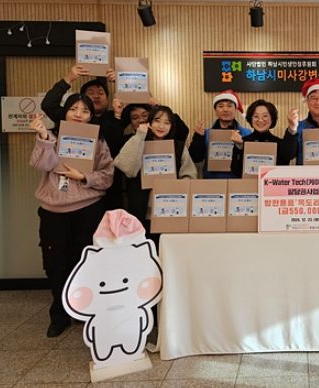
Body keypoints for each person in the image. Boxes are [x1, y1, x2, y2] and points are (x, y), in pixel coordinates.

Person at [29, 94, 114, 338]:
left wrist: (84, 177)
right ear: (65, 112)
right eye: (73, 109)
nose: (78, 114)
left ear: (91, 116)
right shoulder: (51, 138)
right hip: (53, 212)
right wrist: (44, 137)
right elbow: (40, 164)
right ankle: (59, 315)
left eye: (85, 111)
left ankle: (84, 311)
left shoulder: (99, 142)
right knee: (55, 264)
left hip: (88, 209)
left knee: (85, 262)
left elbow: (107, 176)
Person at [41, 64, 124, 209]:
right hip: (68, 186)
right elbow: (48, 104)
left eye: (101, 93)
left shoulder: (116, 114)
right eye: (90, 93)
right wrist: (69, 78)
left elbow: (144, 110)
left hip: (107, 183)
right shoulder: (71, 119)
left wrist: (120, 82)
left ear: (107, 98)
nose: (96, 96)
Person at [114, 105, 197, 239]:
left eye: (167, 123)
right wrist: (140, 136)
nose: (161, 126)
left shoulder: (178, 146)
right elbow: (126, 168)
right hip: (140, 208)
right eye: (157, 121)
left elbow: (189, 175)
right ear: (150, 122)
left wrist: (177, 187)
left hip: (169, 208)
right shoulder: (137, 140)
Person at [188, 90, 252, 178]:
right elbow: (195, 158)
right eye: (221, 106)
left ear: (235, 109)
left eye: (229, 106)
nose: (225, 109)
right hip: (212, 182)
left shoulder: (247, 133)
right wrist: (198, 138)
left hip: (238, 182)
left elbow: (250, 161)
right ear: (215, 110)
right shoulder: (206, 133)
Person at [230, 99, 299, 177]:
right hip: (248, 184)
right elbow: (236, 171)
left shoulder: (279, 143)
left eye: (265, 116)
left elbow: (289, 155)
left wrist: (292, 128)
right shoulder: (242, 142)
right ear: (251, 119)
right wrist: (239, 148)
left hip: (273, 184)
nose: (260, 120)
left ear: (272, 119)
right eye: (256, 116)